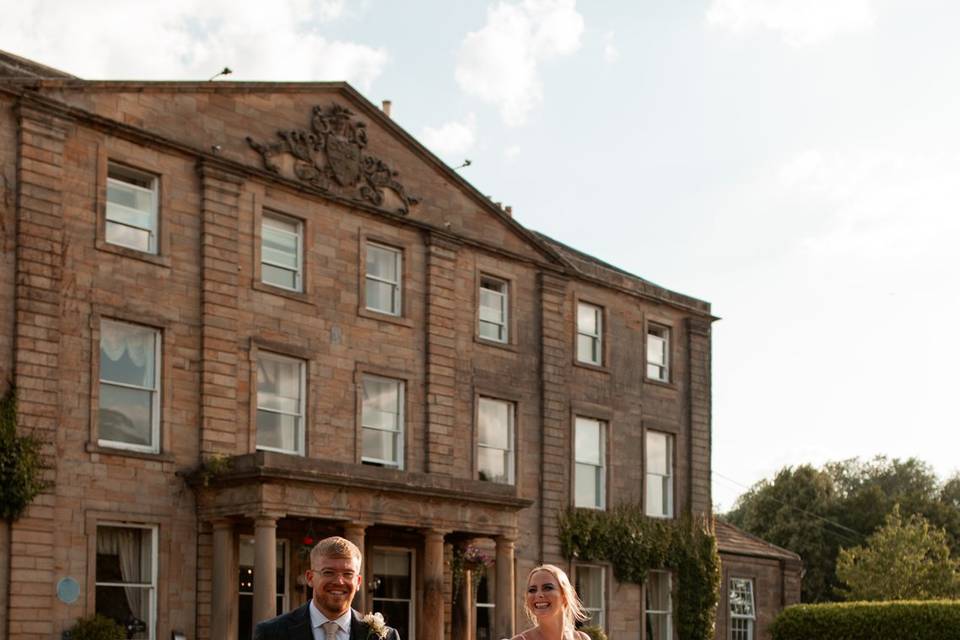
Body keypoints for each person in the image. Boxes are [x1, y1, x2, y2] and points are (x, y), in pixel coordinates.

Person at [254, 536, 401, 640]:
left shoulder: (384, 637)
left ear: (358, 582)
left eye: (348, 574)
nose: (339, 581)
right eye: (328, 572)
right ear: (310, 578)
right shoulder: (271, 633)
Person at [510, 564, 591, 640]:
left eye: (548, 588)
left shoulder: (581, 638)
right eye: (532, 590)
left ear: (565, 596)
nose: (539, 594)